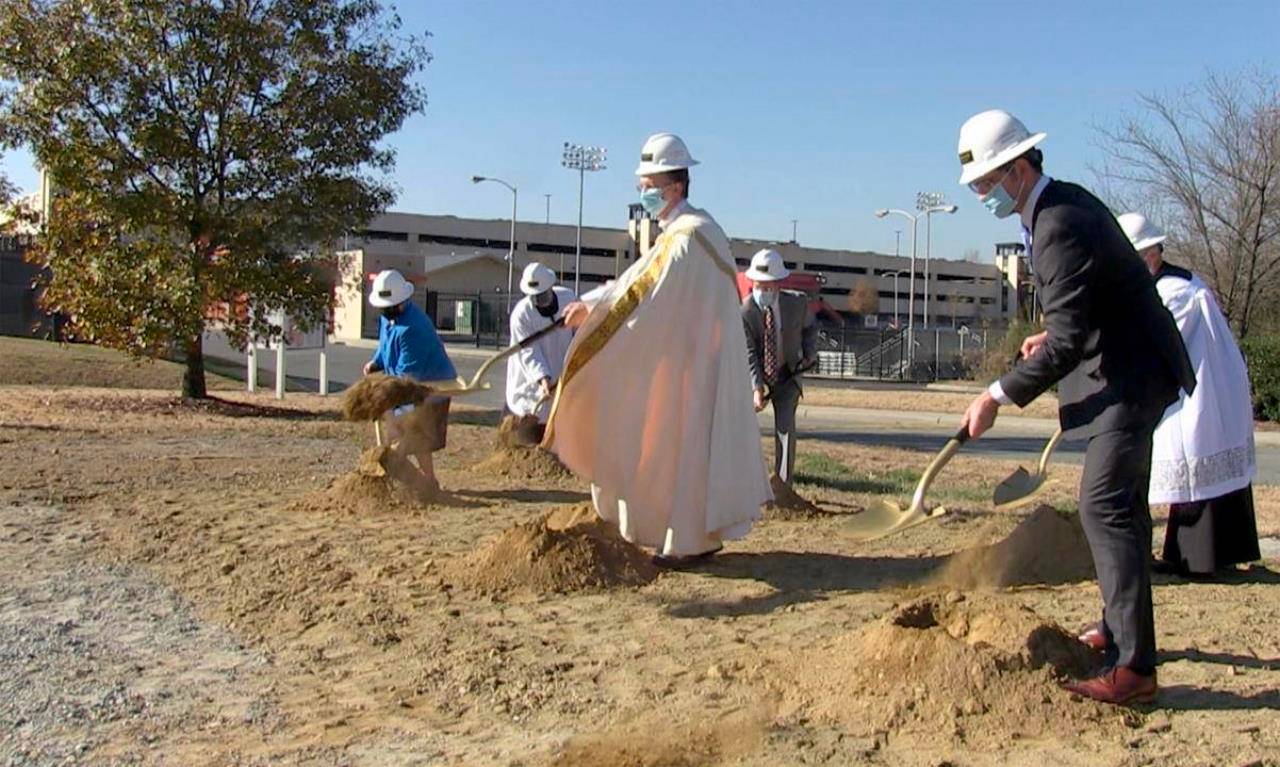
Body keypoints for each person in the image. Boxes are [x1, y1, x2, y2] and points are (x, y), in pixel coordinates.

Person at [954, 110, 1195, 706]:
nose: (983, 196)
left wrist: (996, 395)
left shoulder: (1055, 221)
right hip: (1133, 365)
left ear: (1016, 169)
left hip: (1132, 376)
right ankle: (1118, 630)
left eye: (986, 184)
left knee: (1103, 504)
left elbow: (1069, 341)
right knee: (1122, 506)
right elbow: (1081, 313)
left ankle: (1134, 666)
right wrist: (1052, 336)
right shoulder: (1058, 205)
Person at [544, 132, 772, 568]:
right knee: (679, 448)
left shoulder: (688, 238)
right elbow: (635, 282)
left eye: (649, 186)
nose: (643, 193)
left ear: (676, 186)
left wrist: (593, 317)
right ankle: (691, 536)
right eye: (642, 185)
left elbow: (644, 298)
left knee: (683, 448)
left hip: (690, 367)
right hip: (688, 361)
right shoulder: (692, 233)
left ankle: (688, 541)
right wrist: (592, 304)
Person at [1117, 212, 1260, 576]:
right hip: (1198, 383)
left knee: (1196, 459)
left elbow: (1157, 344)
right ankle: (1188, 554)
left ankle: (1200, 558)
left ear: (1151, 254)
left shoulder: (1175, 291)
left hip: (1201, 388)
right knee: (1197, 465)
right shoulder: (1162, 287)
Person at [362, 269, 457, 491]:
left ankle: (408, 477)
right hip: (408, 387)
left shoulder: (414, 328)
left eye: (389, 307)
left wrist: (383, 397)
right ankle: (426, 481)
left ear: (402, 302)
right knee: (402, 429)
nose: (385, 311)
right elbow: (385, 346)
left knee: (415, 434)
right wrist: (376, 363)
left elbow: (408, 374)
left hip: (433, 386)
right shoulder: (389, 318)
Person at [741, 248, 818, 485]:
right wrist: (757, 388)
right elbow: (749, 352)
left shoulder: (797, 303)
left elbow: (811, 328)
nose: (763, 289)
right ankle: (746, 481)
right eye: (758, 283)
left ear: (778, 284)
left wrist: (808, 352)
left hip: (788, 375)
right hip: (759, 378)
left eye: (768, 285)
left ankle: (783, 483)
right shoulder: (745, 312)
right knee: (742, 430)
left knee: (785, 429)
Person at [504, 262, 577, 443]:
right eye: (534, 297)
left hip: (561, 373)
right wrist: (543, 378)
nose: (539, 301)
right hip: (531, 383)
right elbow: (529, 352)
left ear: (551, 288)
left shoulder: (569, 299)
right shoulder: (522, 315)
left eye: (543, 295)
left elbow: (579, 331)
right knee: (531, 425)